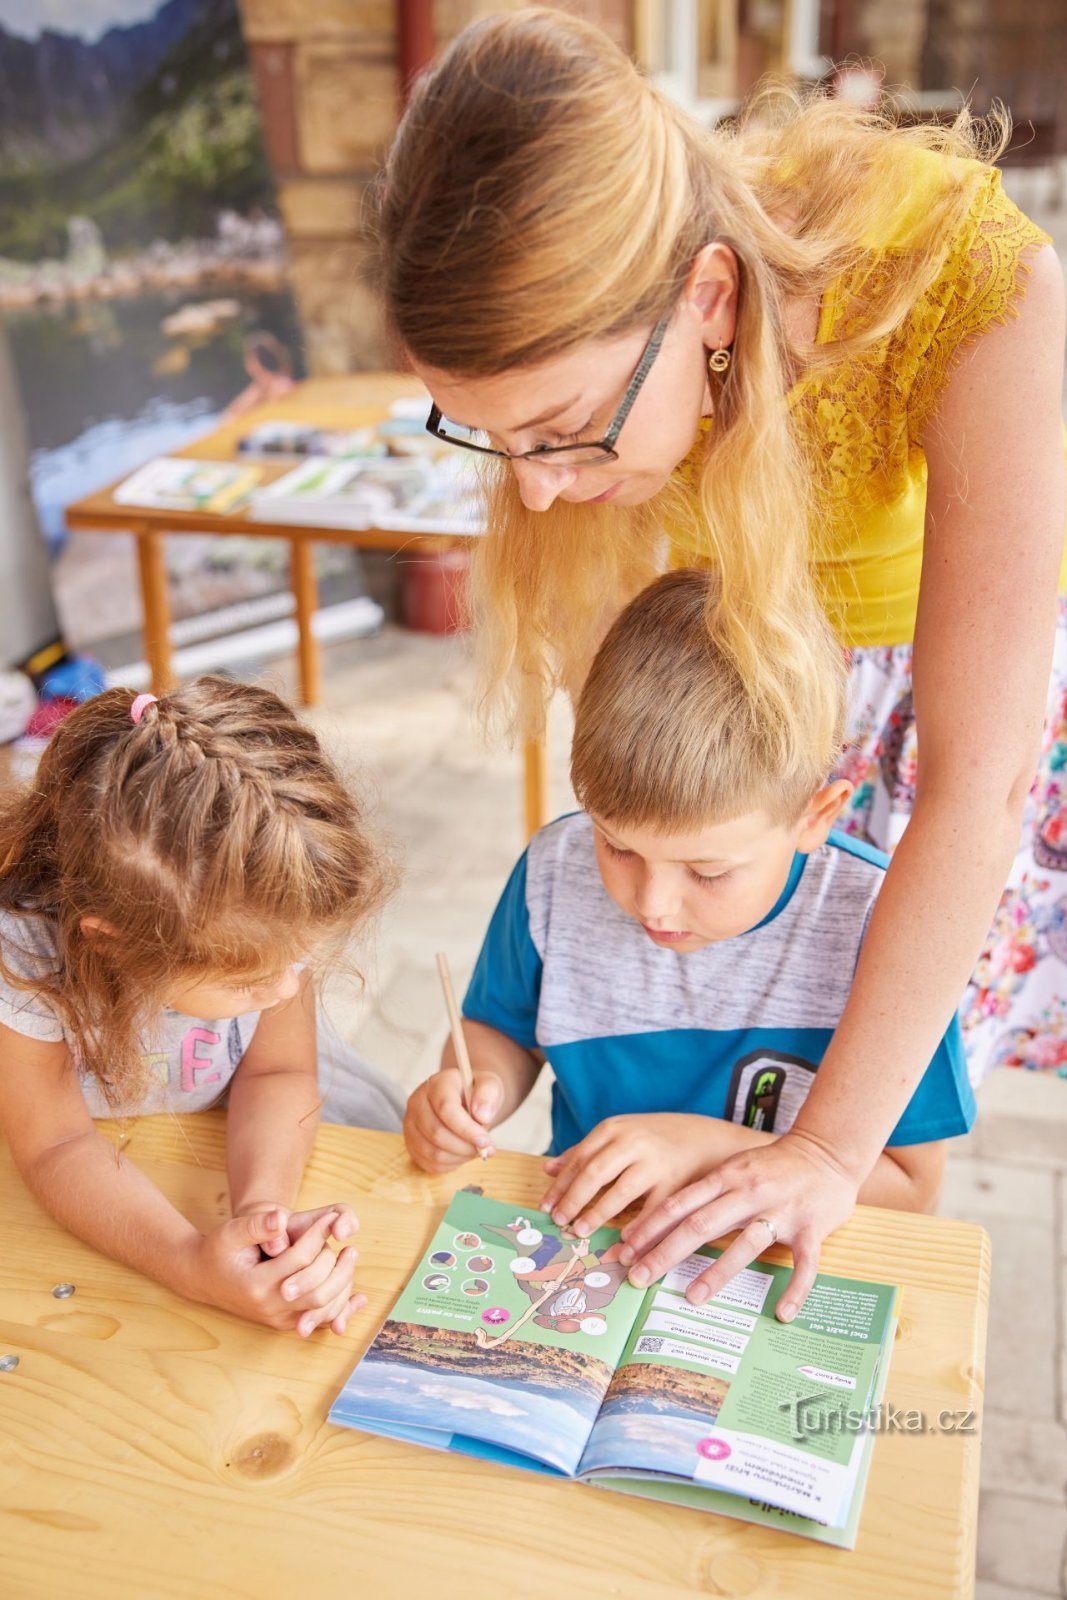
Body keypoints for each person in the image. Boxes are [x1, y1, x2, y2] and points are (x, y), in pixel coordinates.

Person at [377, 8, 1065, 1315]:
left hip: (932, 715)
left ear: (704, 297)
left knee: (867, 1115)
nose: (534, 494)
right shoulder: (610, 376)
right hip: (730, 693)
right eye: (494, 441)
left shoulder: (963, 276)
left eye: (562, 430)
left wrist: (824, 1153)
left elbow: (971, 786)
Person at [404, 571, 975, 1308]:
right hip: (582, 1254)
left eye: (707, 872)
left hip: (778, 1280)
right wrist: (474, 1088)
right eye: (616, 845)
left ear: (815, 816)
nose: (652, 904)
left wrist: (701, 1147)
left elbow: (911, 1186)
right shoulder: (553, 872)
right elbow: (499, 1032)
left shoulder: (886, 924)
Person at [0, 678, 402, 1337]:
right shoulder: (25, 954)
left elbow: (279, 1073)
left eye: (295, 962)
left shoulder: (265, 905)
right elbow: (56, 1144)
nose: (284, 990)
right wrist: (189, 1263)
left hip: (234, 1127)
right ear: (113, 942)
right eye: (248, 983)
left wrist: (261, 1215)